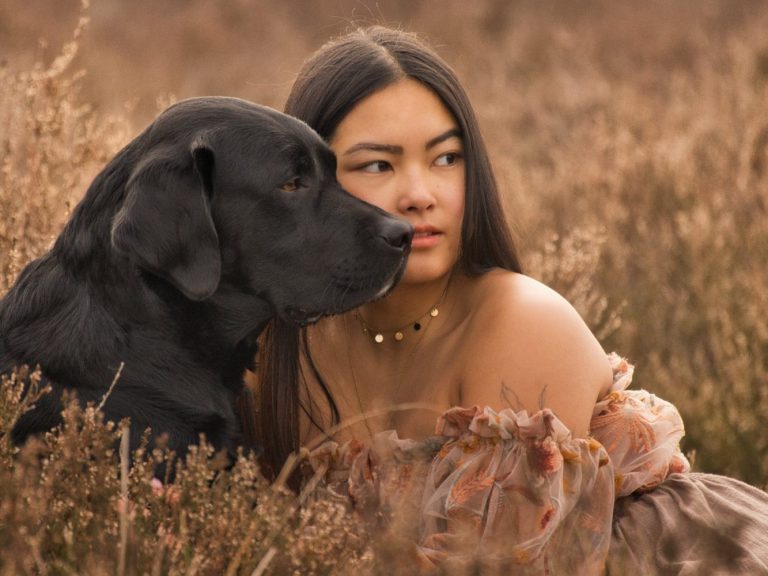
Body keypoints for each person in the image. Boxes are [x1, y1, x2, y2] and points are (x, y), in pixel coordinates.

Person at [241, 26, 768, 574]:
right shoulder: (281, 348)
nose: (420, 195)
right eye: (378, 165)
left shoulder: (523, 324)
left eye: (446, 158)